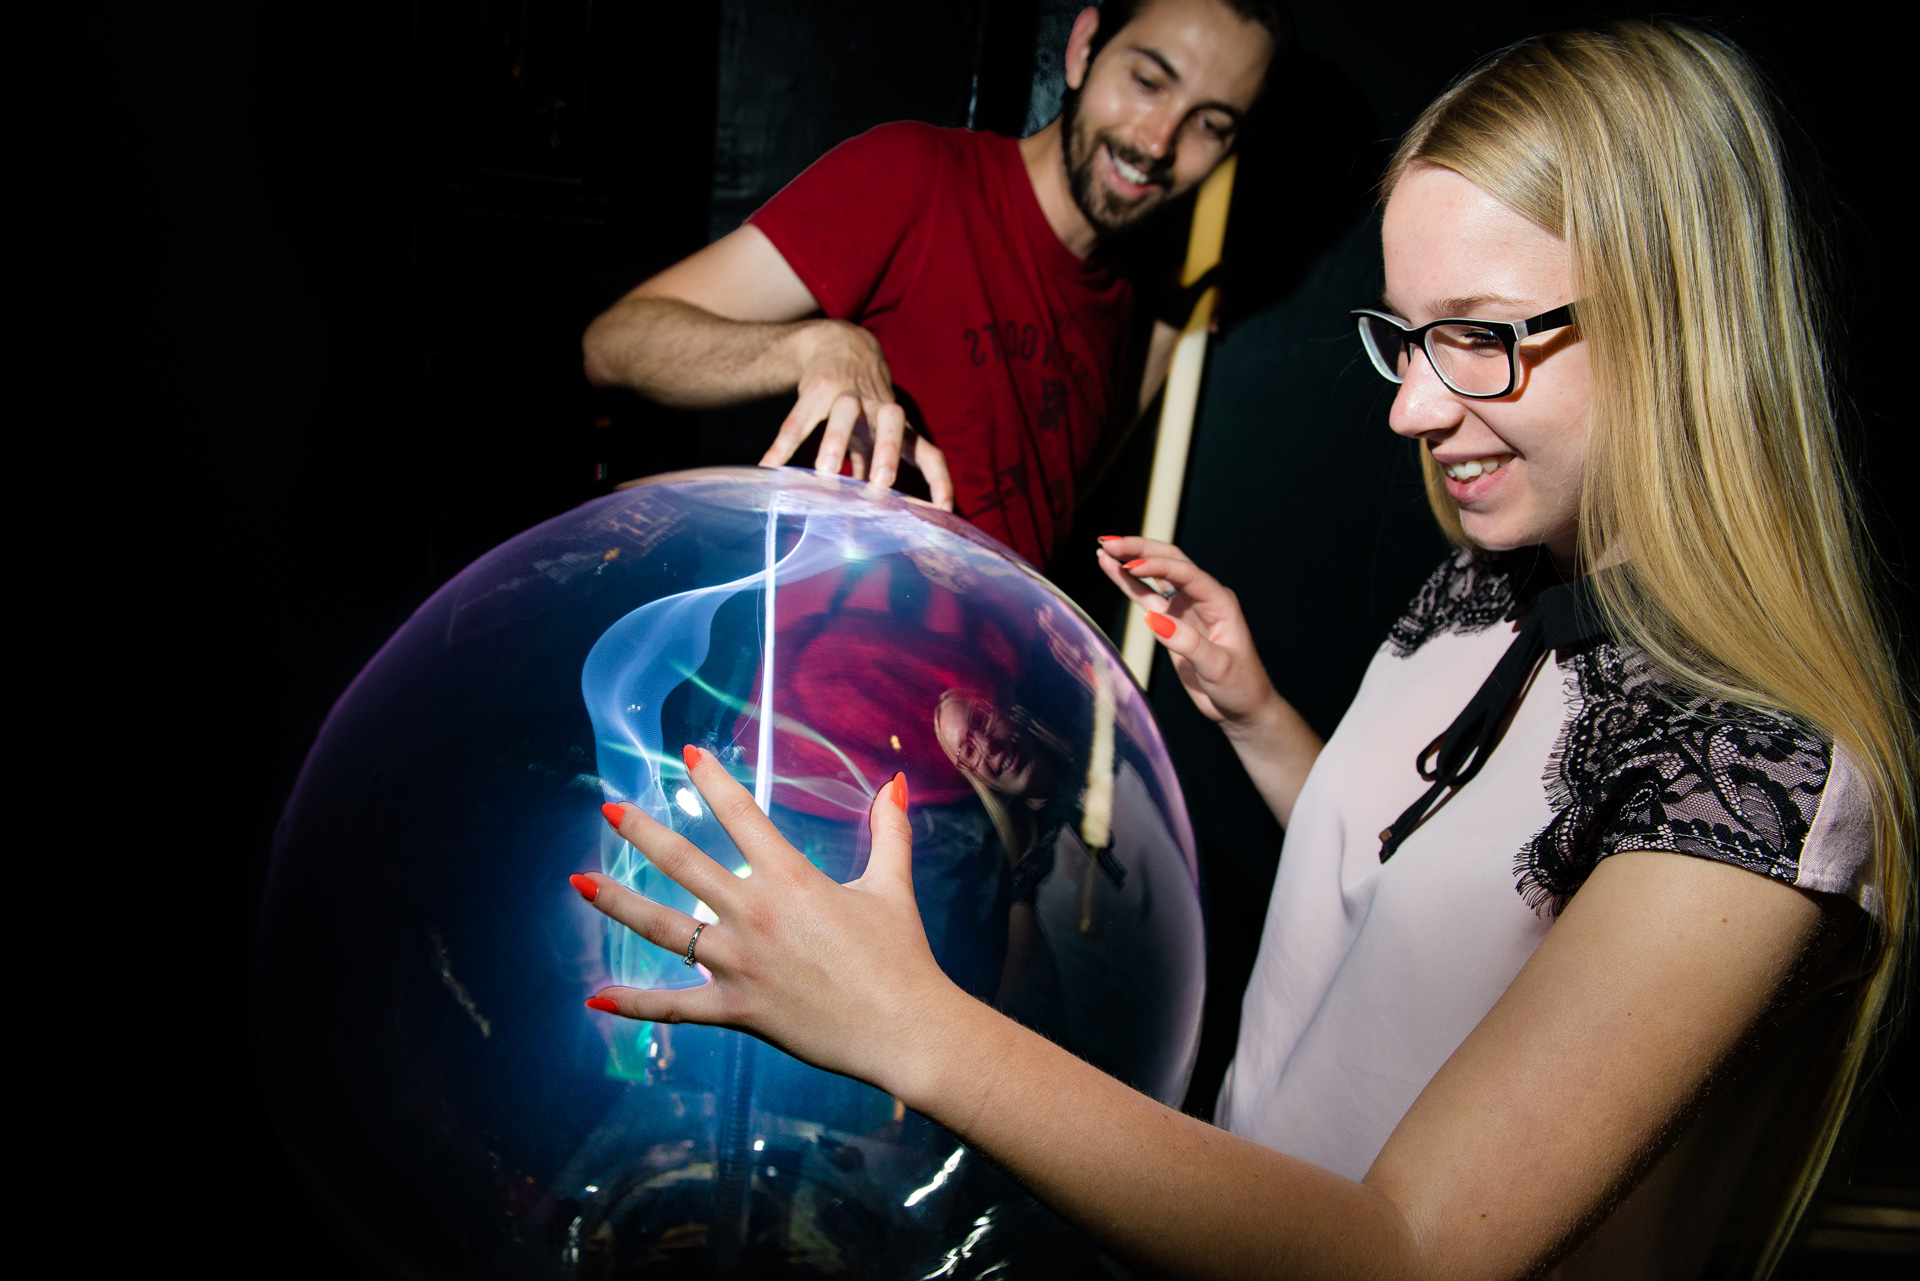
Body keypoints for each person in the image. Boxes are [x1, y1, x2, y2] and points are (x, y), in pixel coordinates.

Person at [568, 20, 1915, 1278]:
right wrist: (1258, 715)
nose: (1413, 410)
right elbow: (1431, 895)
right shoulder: (1485, 584)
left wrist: (908, 1023)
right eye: (1408, 338)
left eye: (1478, 337)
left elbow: (1409, 1250)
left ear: (1682, 320)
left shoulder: (1758, 779)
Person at [580, 0, 1285, 570]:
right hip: (833, 698)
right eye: (1148, 82)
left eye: (1209, 124)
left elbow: (1046, 501)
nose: (1159, 141)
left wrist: (1168, 332)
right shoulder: (917, 176)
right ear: (1083, 49)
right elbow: (615, 342)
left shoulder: (1124, 289)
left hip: (994, 699)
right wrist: (813, 346)